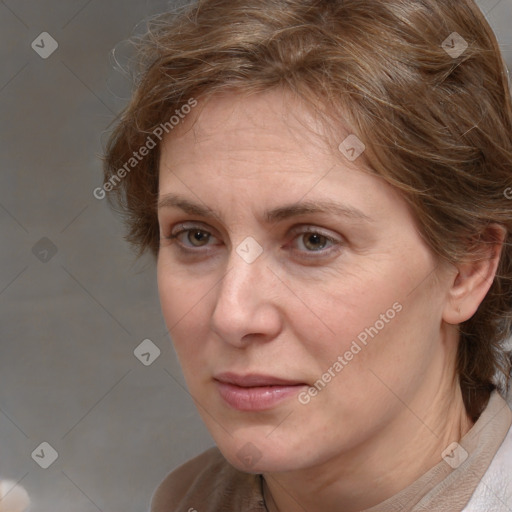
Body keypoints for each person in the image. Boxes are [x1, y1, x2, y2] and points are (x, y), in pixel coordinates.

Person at [103, 0, 512, 510]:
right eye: (196, 236)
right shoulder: (185, 499)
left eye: (313, 240)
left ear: (468, 269)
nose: (232, 316)